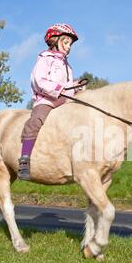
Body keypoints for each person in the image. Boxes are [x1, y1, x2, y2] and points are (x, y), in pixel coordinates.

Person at [18, 23, 83, 181]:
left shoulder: (68, 66)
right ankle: (24, 160)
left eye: (70, 44)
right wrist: (59, 88)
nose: (69, 47)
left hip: (65, 102)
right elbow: (39, 81)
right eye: (66, 42)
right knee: (35, 122)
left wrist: (76, 87)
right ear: (54, 40)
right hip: (47, 100)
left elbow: (68, 86)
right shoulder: (45, 59)